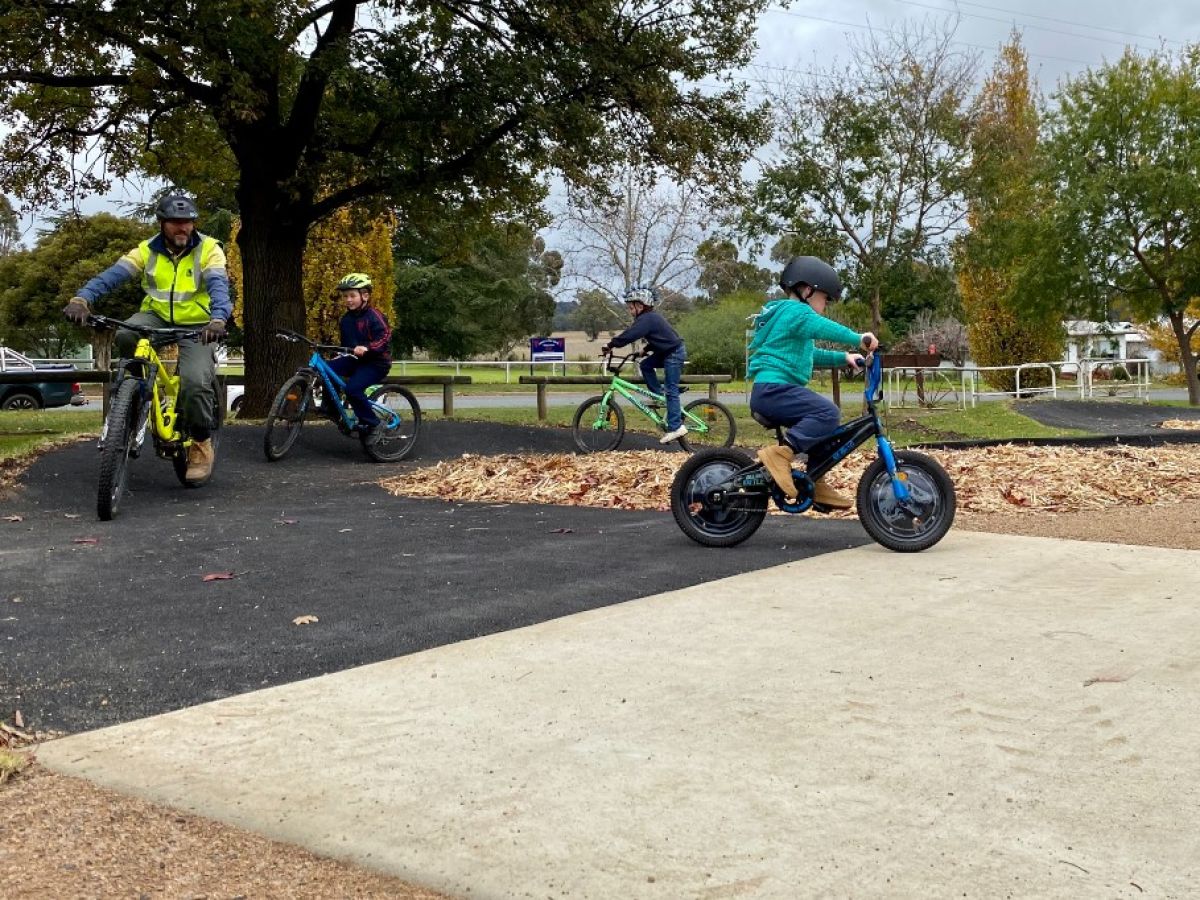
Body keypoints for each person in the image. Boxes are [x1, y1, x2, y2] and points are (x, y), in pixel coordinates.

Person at [63, 191, 231, 481]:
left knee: (194, 382)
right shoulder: (146, 250)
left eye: (188, 222)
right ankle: (135, 392)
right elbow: (112, 276)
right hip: (155, 317)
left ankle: (201, 443)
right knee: (126, 333)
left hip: (199, 325)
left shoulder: (210, 249)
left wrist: (218, 318)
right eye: (176, 222)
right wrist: (83, 298)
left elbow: (218, 286)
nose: (183, 228)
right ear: (162, 223)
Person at [748, 256, 878, 509]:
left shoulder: (790, 317)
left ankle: (814, 479)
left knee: (825, 430)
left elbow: (810, 355)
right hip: (774, 390)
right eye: (825, 297)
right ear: (807, 290)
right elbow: (825, 328)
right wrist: (858, 338)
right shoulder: (798, 312)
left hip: (772, 391)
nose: (826, 304)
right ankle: (780, 454)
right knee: (826, 412)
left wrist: (844, 358)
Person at [602, 285, 689, 443]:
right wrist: (644, 351)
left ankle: (676, 427)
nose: (630, 310)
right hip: (668, 351)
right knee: (646, 365)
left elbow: (630, 334)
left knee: (671, 390)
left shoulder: (647, 319)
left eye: (631, 307)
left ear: (640, 305)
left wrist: (611, 344)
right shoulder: (650, 318)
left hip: (673, 354)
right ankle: (660, 395)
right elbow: (661, 337)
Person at [328, 272, 392, 444]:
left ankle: (374, 424)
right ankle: (331, 408)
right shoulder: (346, 320)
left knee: (352, 389)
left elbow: (385, 337)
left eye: (352, 295)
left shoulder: (374, 316)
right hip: (355, 360)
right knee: (326, 369)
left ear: (365, 296)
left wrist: (368, 348)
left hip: (376, 363)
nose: (348, 300)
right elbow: (346, 345)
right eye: (345, 296)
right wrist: (339, 356)